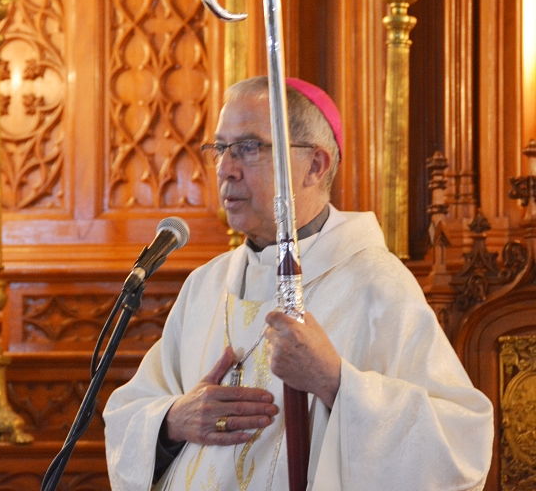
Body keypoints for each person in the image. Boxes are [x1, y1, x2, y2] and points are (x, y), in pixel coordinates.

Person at [103, 76, 494, 491]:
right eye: (220, 148)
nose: (225, 169)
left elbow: (458, 449)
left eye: (249, 148)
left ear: (315, 165)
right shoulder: (205, 284)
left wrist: (336, 382)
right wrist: (173, 421)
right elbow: (130, 414)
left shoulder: (377, 285)